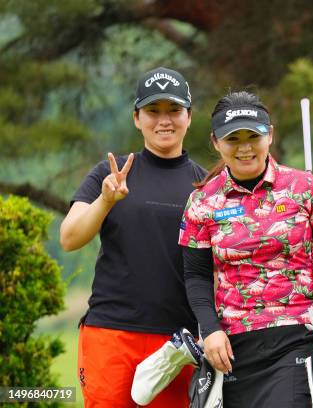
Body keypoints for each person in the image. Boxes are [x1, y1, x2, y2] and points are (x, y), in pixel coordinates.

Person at [178, 90, 313, 407]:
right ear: (216, 142)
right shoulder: (203, 202)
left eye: (252, 136)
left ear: (269, 135)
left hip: (297, 337)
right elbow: (196, 276)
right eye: (233, 139)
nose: (244, 147)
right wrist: (211, 329)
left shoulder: (304, 187)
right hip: (232, 348)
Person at [60, 67, 206, 408]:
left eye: (173, 110)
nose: (164, 120)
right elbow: (69, 237)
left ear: (189, 116)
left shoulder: (206, 185)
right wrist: (106, 200)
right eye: (153, 111)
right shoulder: (109, 174)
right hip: (111, 333)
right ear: (137, 118)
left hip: (177, 344)